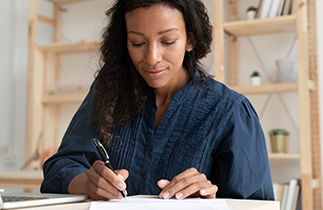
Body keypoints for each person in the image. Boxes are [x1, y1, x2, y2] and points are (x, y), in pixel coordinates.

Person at [40, 0, 274, 201]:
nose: (152, 58)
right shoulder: (109, 93)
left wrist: (209, 201)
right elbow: (60, 168)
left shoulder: (231, 111)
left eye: (168, 41)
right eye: (137, 43)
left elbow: (255, 205)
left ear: (190, 40)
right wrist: (86, 183)